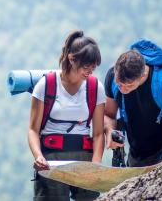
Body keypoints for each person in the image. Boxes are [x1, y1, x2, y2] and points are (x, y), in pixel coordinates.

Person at [28, 30, 106, 201]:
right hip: (51, 157)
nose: (90, 72)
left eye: (93, 68)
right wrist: (38, 156)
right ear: (71, 58)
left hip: (84, 158)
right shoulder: (46, 85)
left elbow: (99, 133)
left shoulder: (95, 87)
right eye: (86, 67)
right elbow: (33, 130)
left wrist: (97, 162)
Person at [104, 46, 162, 167]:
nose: (121, 89)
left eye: (127, 85)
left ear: (143, 75)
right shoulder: (112, 76)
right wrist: (109, 131)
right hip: (136, 154)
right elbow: (108, 115)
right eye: (118, 84)